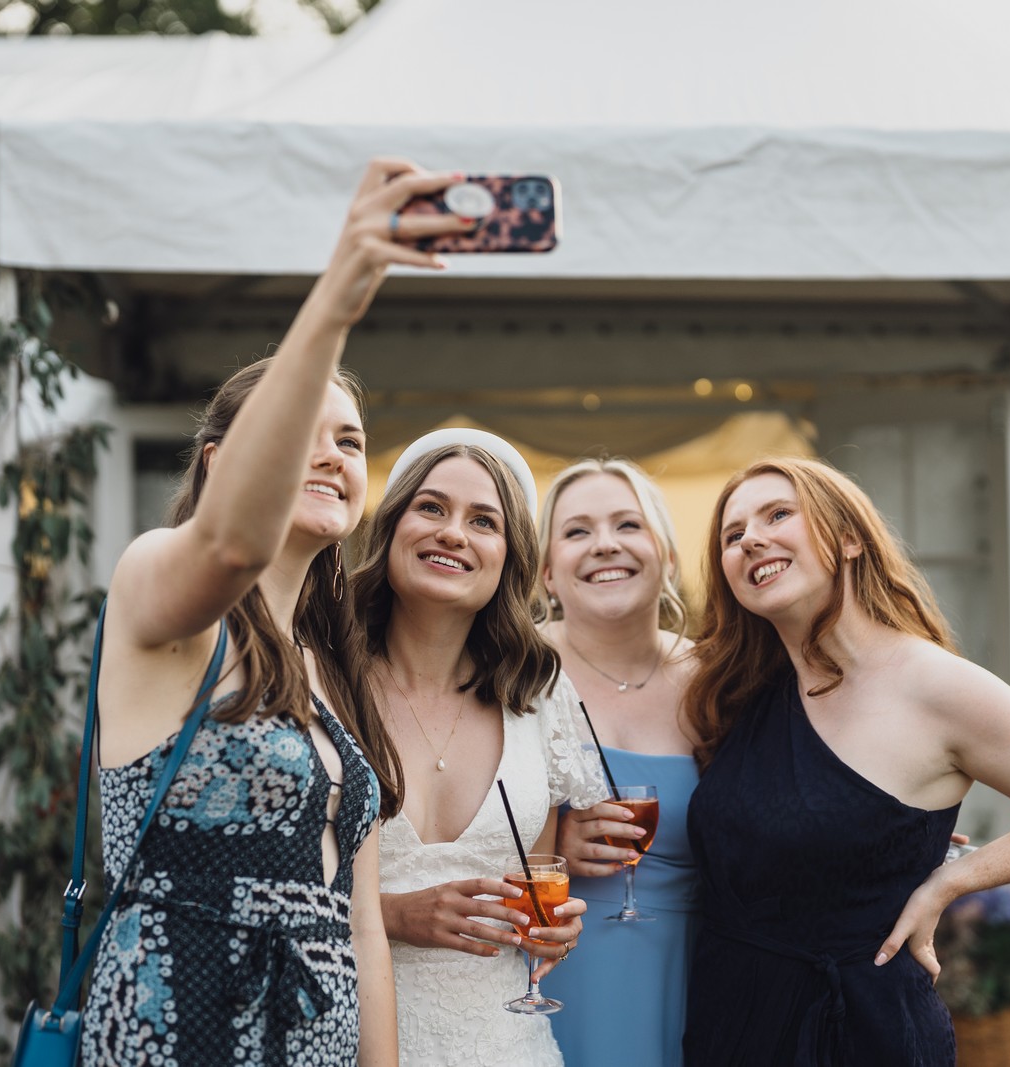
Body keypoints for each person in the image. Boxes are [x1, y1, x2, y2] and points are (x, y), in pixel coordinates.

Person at [81, 158, 469, 1066]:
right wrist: (337, 298)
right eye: (301, 433)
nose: (331, 455)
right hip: (179, 1033)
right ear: (221, 462)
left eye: (351, 441)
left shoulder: (333, 663)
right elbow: (230, 548)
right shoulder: (163, 596)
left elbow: (360, 927)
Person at [681, 458, 1010, 1066]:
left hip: (859, 1031)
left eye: (778, 514)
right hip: (732, 1022)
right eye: (733, 535)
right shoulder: (738, 690)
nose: (751, 539)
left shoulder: (938, 686)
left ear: (849, 538)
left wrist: (950, 881)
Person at [352, 428, 609, 1066]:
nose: (453, 533)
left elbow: (537, 879)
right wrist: (391, 915)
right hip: (346, 1037)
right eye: (431, 508)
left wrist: (553, 934)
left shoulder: (538, 694)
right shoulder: (324, 680)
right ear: (392, 527)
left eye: (483, 521)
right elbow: (269, 885)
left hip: (507, 1045)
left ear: (508, 557)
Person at [536, 458, 700, 1067]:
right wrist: (546, 839)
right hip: (551, 972)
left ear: (668, 557)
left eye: (628, 525)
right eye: (577, 531)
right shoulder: (510, 672)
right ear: (548, 573)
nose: (605, 544)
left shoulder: (721, 682)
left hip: (693, 974)